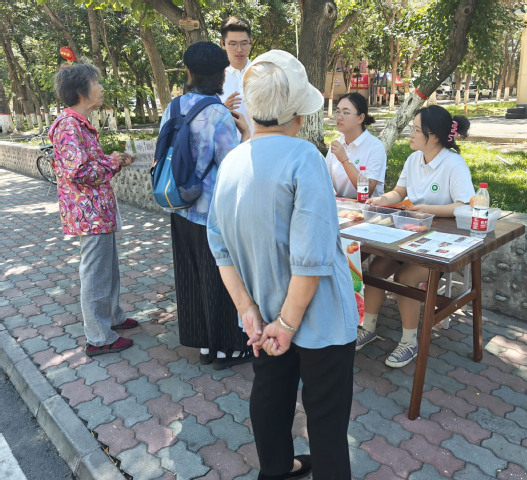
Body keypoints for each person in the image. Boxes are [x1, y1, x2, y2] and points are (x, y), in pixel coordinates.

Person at [207, 50, 358, 480]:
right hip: (318, 317)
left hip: (263, 311)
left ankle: (275, 469)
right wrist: (288, 325)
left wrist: (248, 310)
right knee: (326, 415)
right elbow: (311, 259)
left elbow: (219, 245)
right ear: (298, 116)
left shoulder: (232, 161)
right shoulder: (304, 157)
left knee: (270, 395)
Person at [158, 41, 253, 369]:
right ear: (222, 75)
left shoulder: (173, 107)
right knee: (220, 277)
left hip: (178, 206)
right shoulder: (218, 113)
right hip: (211, 214)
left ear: (188, 71)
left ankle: (202, 344)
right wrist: (245, 137)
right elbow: (231, 165)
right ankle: (227, 349)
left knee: (190, 276)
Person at [358, 105, 475, 368]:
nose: (410, 134)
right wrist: (381, 200)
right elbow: (399, 192)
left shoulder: (453, 164)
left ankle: (409, 342)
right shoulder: (413, 160)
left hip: (439, 243)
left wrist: (426, 209)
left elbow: (465, 205)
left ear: (434, 137)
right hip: (408, 234)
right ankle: (368, 327)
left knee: (405, 278)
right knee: (376, 269)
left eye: (415, 130)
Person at [49, 63, 138, 357]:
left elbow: (87, 165)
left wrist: (112, 160)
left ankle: (112, 316)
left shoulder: (80, 123)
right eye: (96, 83)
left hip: (98, 211)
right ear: (80, 90)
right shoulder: (69, 126)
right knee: (96, 274)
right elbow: (78, 172)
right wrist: (112, 162)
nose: (100, 88)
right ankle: (99, 338)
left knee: (108, 269)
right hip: (89, 214)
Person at [325, 92, 387, 199]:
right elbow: (324, 179)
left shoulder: (375, 147)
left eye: (346, 113)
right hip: (341, 206)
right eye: (338, 112)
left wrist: (345, 160)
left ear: (360, 118)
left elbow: (367, 191)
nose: (339, 117)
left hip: (367, 206)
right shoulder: (337, 144)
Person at [219, 16, 254, 136]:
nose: (239, 49)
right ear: (223, 44)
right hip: (227, 145)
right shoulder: (214, 78)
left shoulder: (262, 74)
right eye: (233, 44)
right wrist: (222, 109)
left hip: (259, 143)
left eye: (244, 43)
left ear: (251, 42)